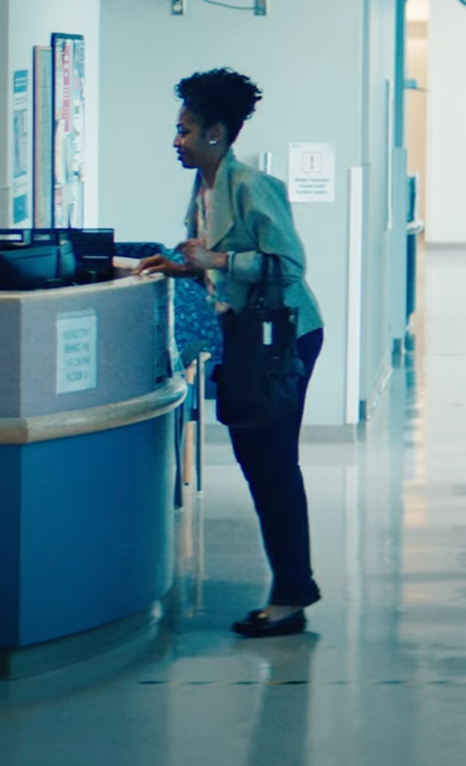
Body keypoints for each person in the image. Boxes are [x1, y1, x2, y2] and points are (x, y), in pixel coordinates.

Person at [137, 68, 325, 638]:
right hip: (247, 334)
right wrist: (180, 266)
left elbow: (288, 266)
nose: (177, 141)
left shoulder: (250, 185)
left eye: (186, 130)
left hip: (284, 336)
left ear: (217, 133)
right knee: (258, 462)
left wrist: (214, 262)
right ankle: (291, 586)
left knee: (272, 464)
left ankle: (291, 595)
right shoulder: (206, 186)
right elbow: (213, 259)